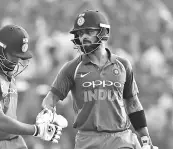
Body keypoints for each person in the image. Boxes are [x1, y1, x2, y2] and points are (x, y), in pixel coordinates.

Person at [40, 10, 158, 149]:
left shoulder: (123, 65)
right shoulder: (71, 68)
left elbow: (133, 104)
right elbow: (49, 100)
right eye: (80, 33)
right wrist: (48, 115)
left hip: (121, 138)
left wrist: (145, 138)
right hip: (88, 140)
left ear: (103, 32)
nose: (83, 37)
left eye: (89, 32)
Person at [0, 24, 63, 149]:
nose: (16, 61)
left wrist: (42, 120)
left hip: (12, 141)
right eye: (14, 55)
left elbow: (10, 119)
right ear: (0, 49)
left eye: (19, 57)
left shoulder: (8, 75)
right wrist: (36, 130)